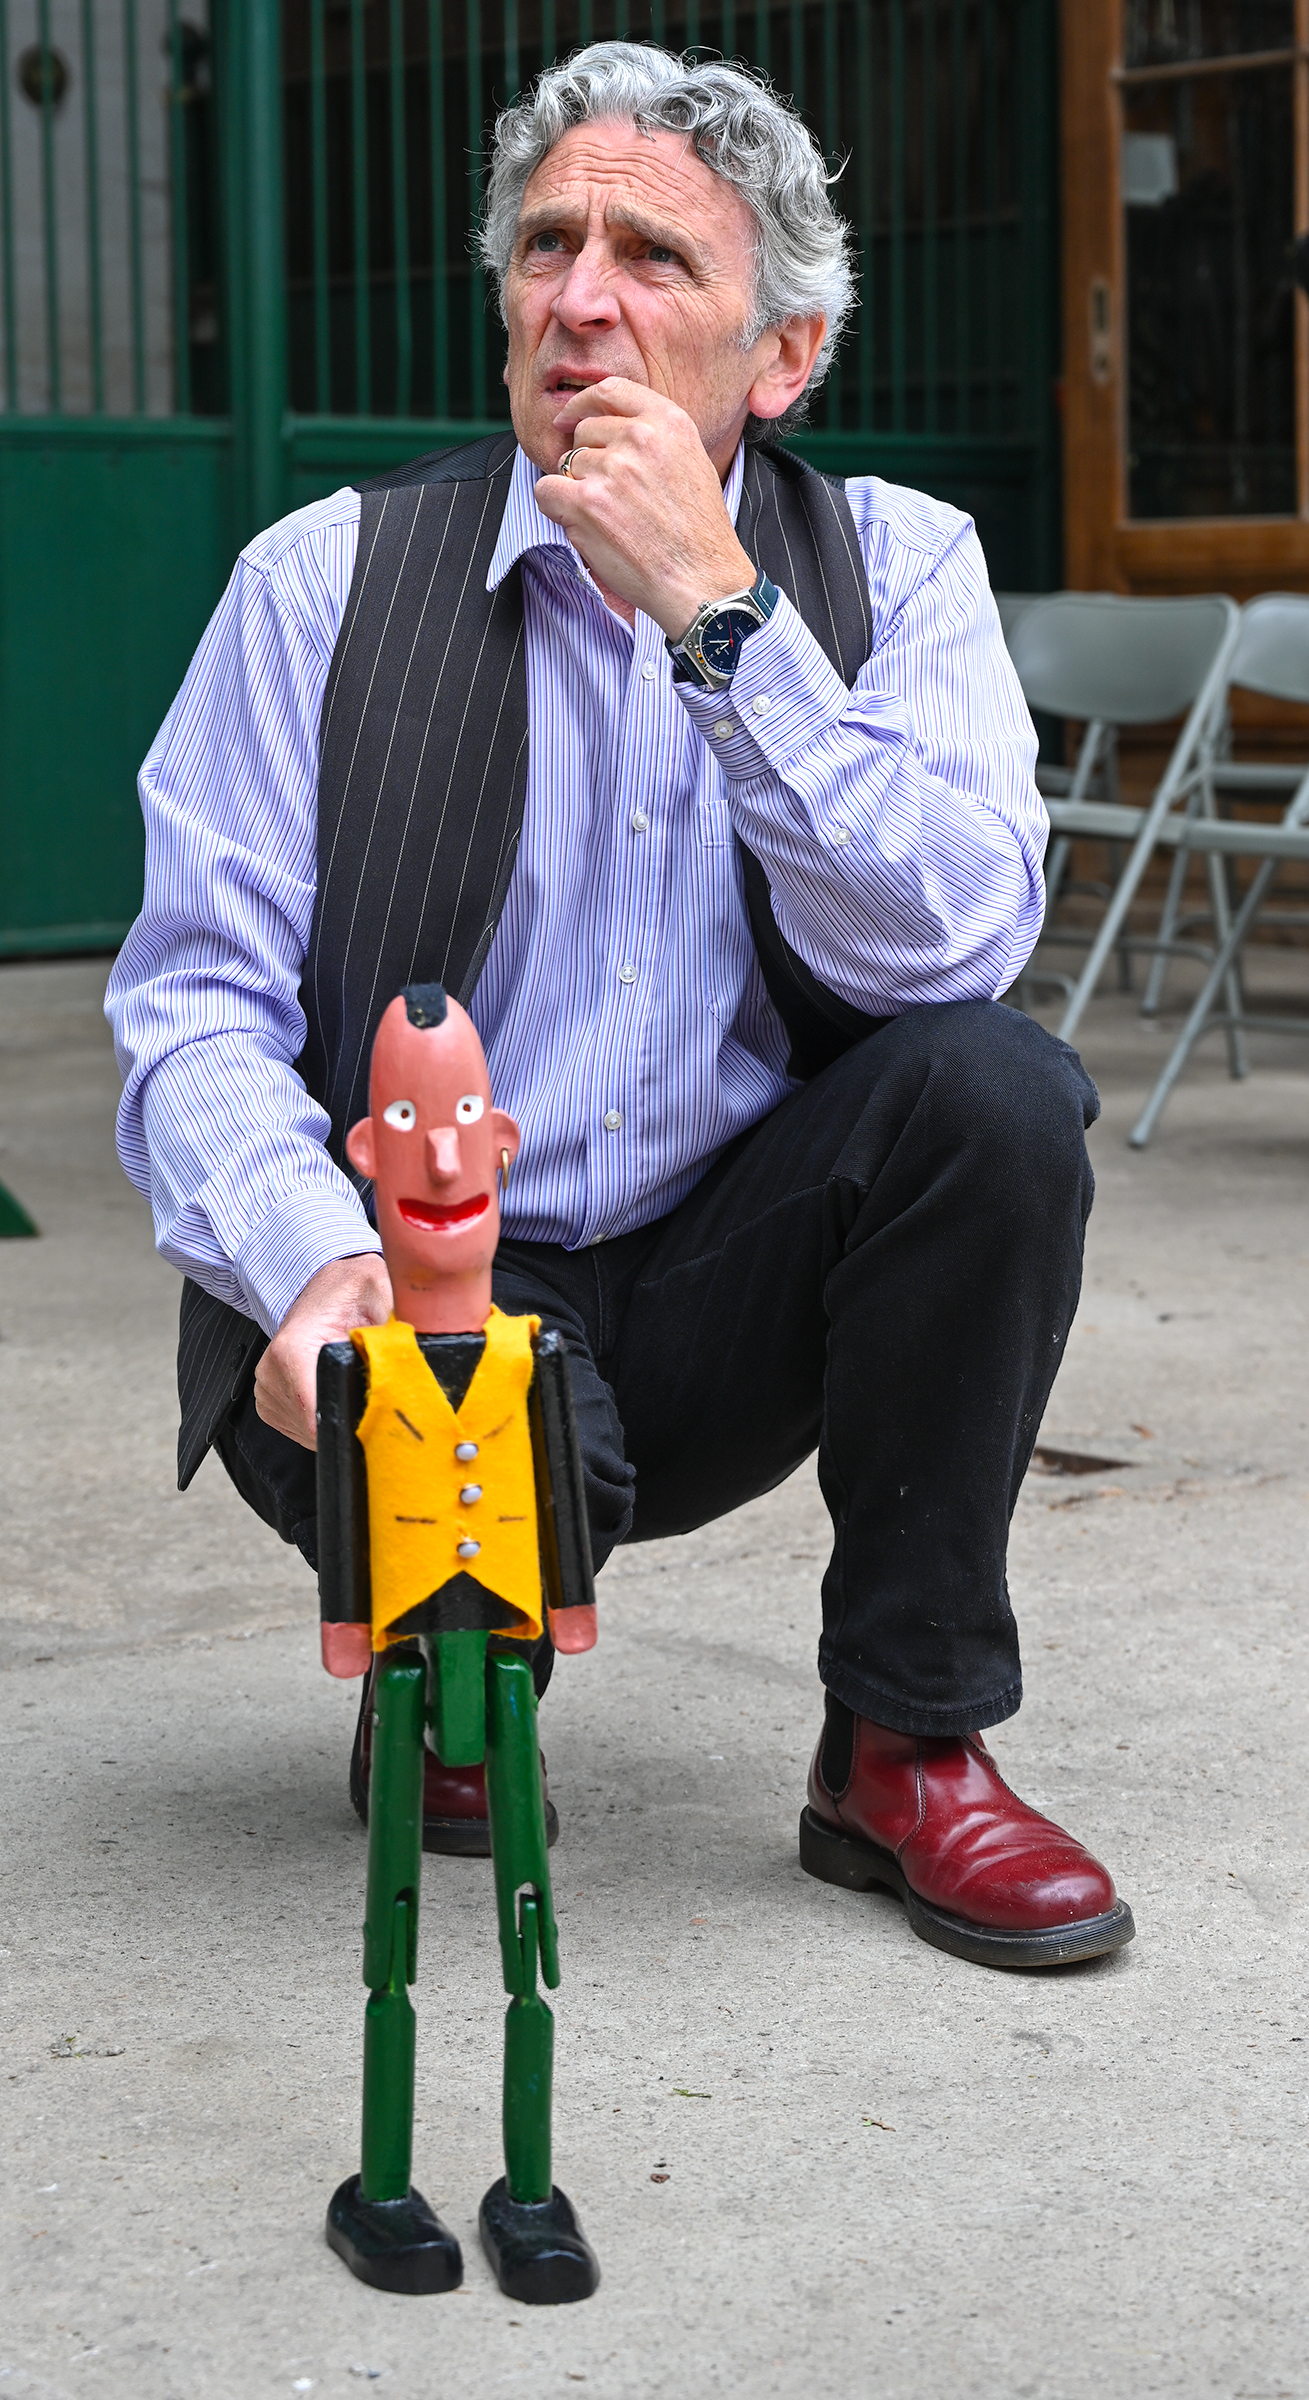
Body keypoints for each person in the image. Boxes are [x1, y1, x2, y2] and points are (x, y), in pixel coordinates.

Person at [106, 41, 1133, 1970]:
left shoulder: (896, 567)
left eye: (654, 257)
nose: (580, 295)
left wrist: (719, 617)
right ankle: (447, 1679)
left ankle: (905, 1750)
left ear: (784, 359)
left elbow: (955, 948)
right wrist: (315, 1268)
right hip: (409, 1302)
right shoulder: (317, 583)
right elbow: (189, 1008)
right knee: (485, 1489)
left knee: (993, 1095)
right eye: (549, 245)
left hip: (729, 1274)